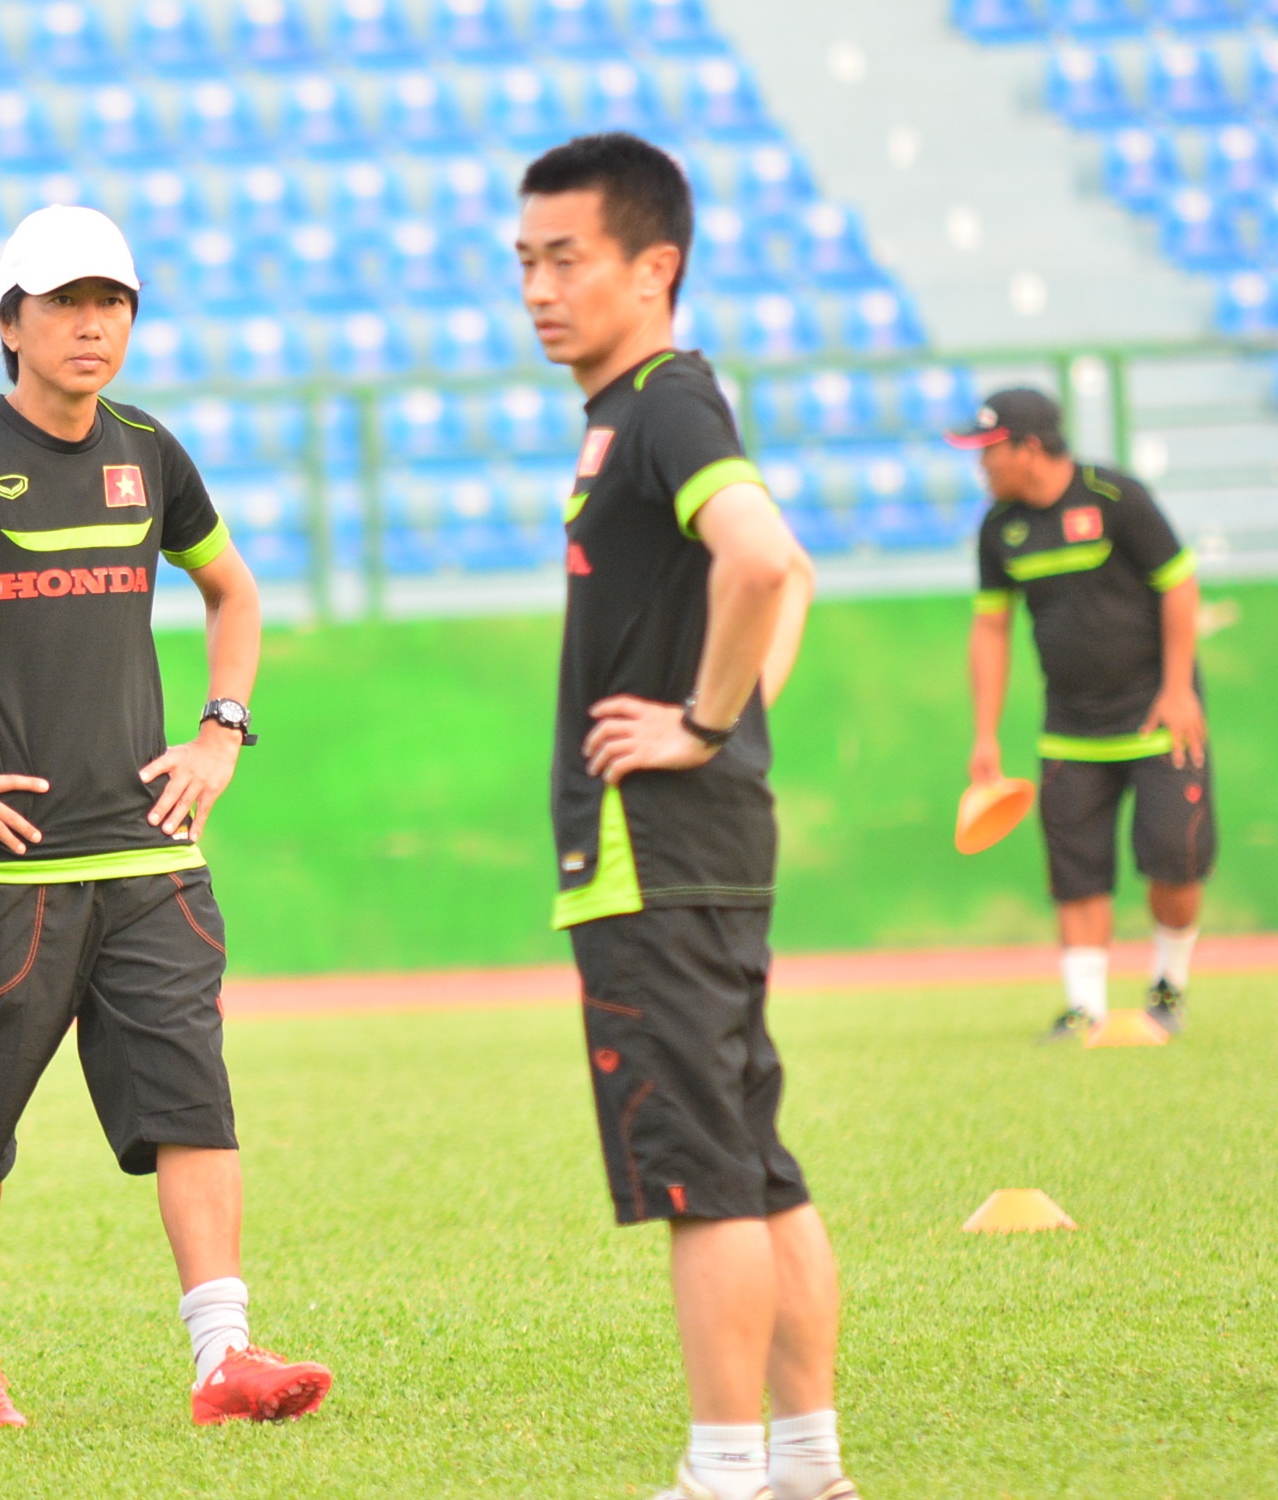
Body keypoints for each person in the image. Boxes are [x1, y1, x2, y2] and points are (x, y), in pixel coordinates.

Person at [0, 205, 330, 1433]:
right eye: (64, 303)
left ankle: (222, 1357)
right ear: (10, 323)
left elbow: (232, 591)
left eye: (112, 302)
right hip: (7, 873)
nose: (92, 325)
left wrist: (221, 729)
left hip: (151, 855)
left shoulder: (149, 449)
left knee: (191, 1099)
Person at [518, 133, 853, 1500]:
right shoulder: (644, 413)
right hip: (699, 847)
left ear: (654, 268)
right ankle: (807, 1466)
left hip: (655, 853)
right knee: (756, 1165)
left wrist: (702, 729)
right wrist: (729, 725)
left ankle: (723, 1474)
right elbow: (793, 573)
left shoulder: (660, 406)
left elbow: (763, 563)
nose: (538, 290)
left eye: (567, 259)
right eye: (524, 263)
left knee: (704, 1176)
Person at [954, 388, 1210, 1040]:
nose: (981, 464)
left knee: (1174, 861)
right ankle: (1084, 1007)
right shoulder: (998, 528)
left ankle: (1169, 987)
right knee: (1076, 872)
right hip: (1070, 728)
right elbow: (991, 628)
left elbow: (1179, 586)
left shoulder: (1116, 498)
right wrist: (985, 734)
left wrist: (1178, 690)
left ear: (1028, 448)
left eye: (989, 450)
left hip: (1158, 718)